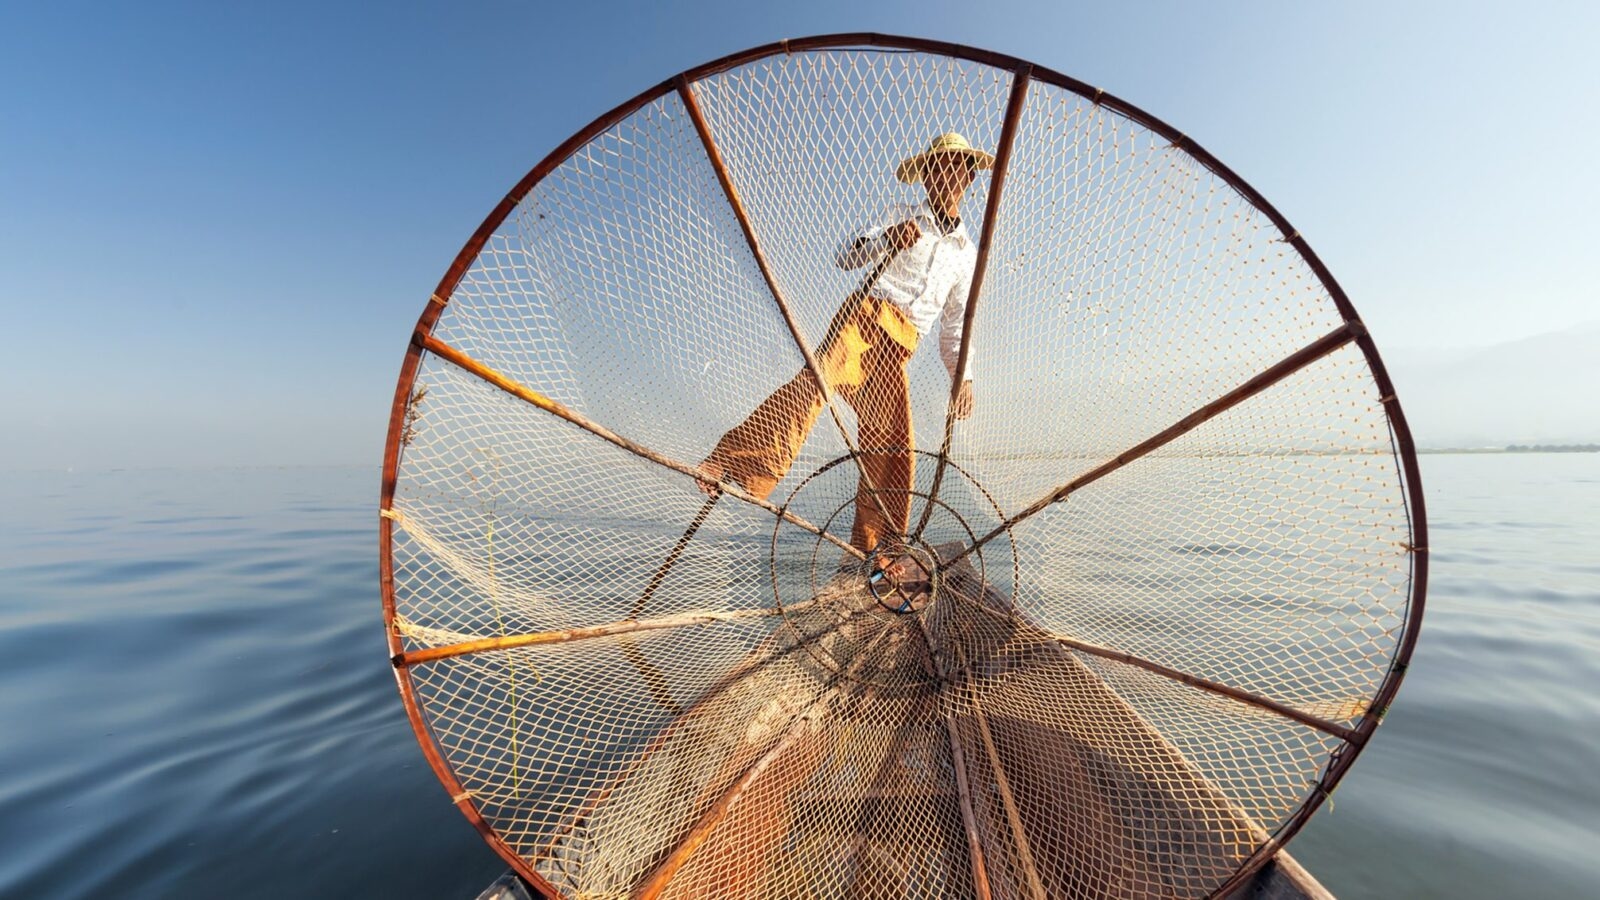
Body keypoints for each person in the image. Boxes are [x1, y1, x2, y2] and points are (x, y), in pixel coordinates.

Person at [699, 132, 991, 554]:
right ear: (926, 177)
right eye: (936, 167)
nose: (945, 175)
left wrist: (962, 378)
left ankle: (874, 550)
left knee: (892, 447)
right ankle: (732, 463)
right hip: (864, 316)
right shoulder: (901, 214)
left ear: (968, 178)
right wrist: (887, 239)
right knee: (813, 387)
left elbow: (955, 326)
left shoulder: (966, 253)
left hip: (901, 345)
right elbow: (845, 255)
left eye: (955, 167)